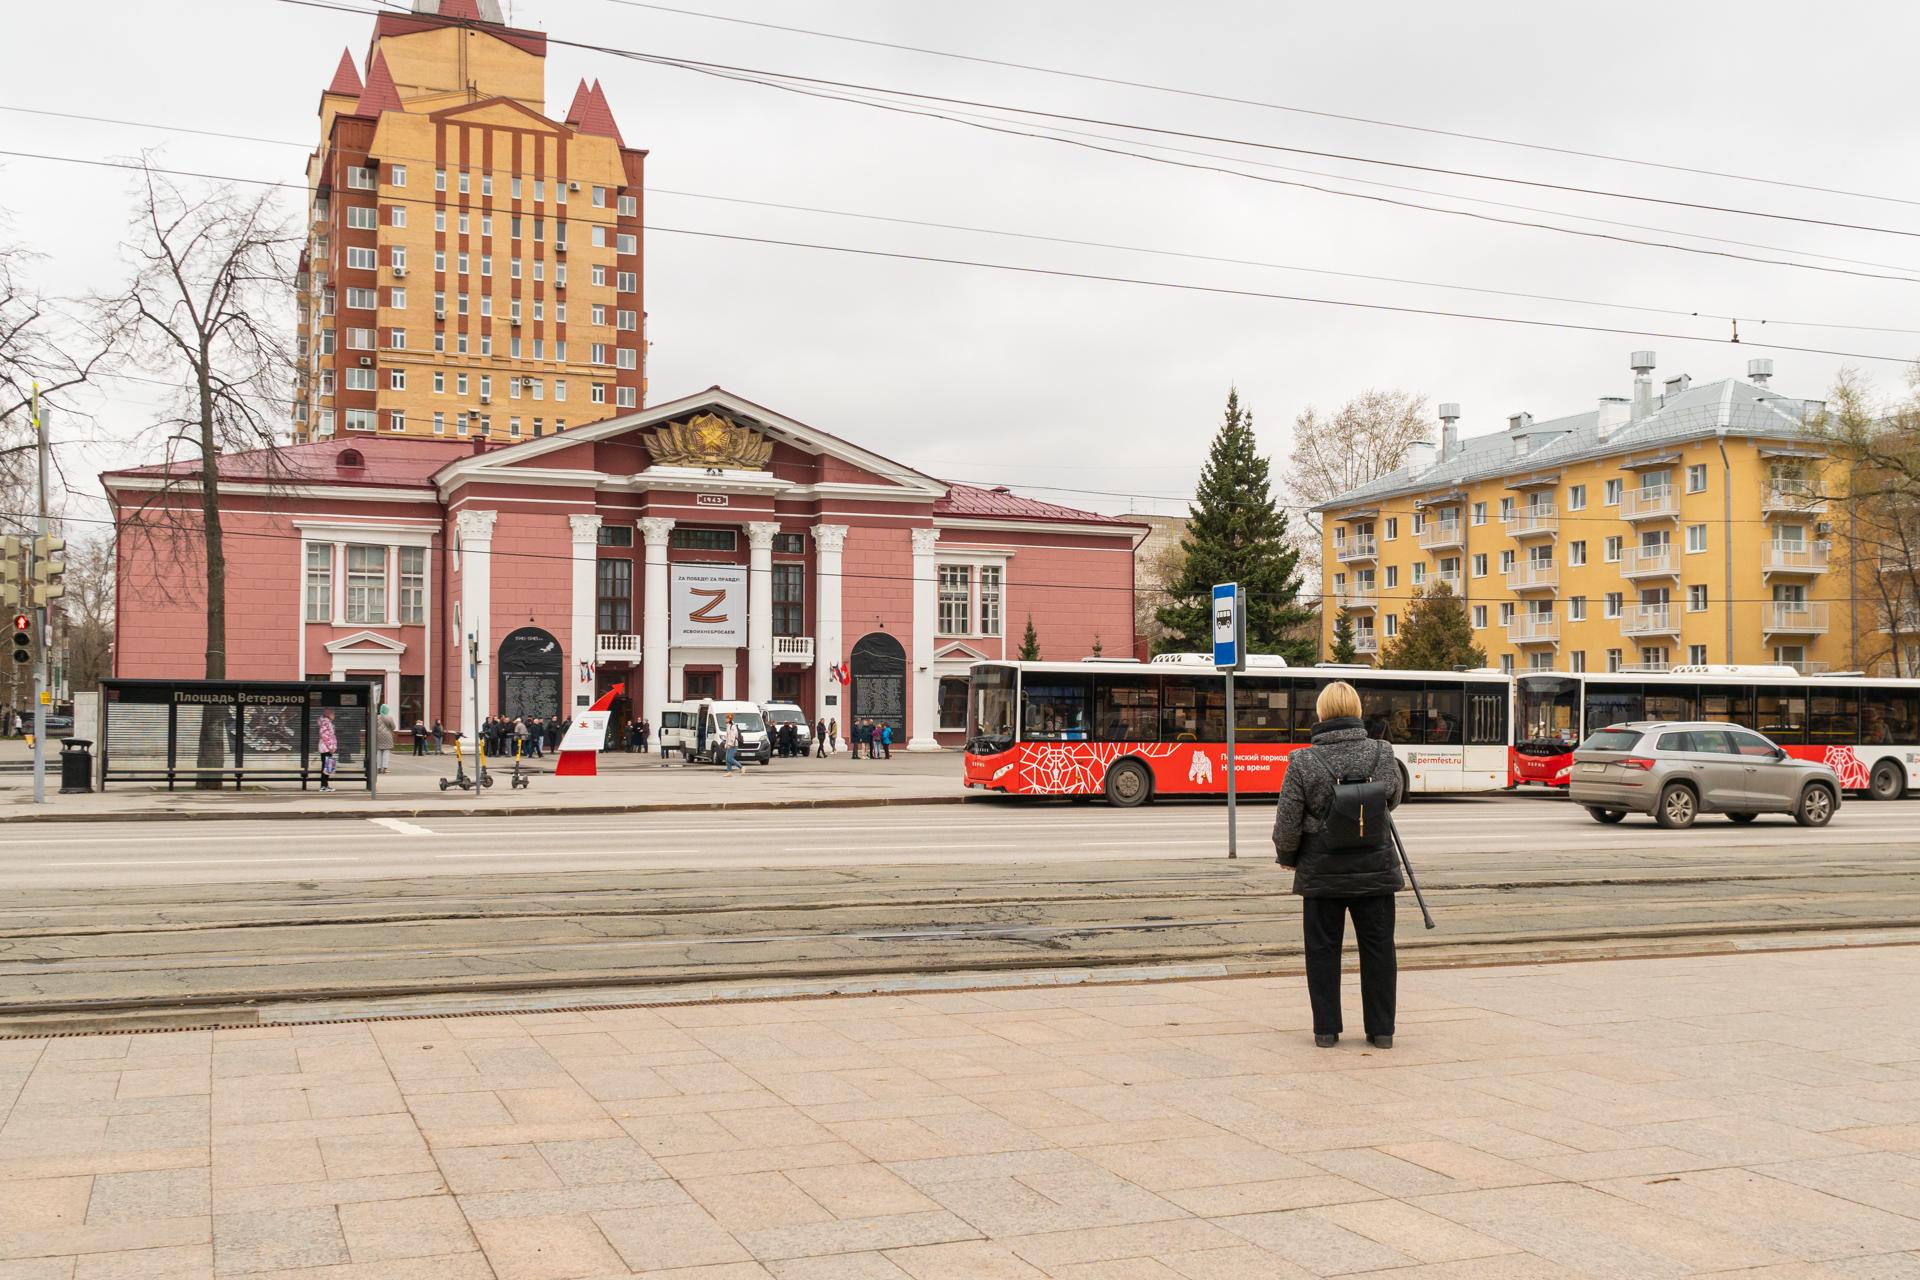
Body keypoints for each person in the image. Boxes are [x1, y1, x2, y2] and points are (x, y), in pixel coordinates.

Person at [1272, 680, 1404, 1051]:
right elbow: (1391, 800)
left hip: (1321, 869)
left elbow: (1287, 821)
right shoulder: (1382, 752)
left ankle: (1326, 1031)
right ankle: (1382, 1032)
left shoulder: (1303, 760)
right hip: (1374, 866)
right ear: (1357, 711)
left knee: (1322, 950)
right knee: (1379, 950)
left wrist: (1288, 857)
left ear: (1321, 712)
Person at [317, 708, 339, 792]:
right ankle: (323, 786)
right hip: (326, 749)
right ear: (329, 714)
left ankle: (325, 785)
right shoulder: (326, 723)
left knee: (327, 767)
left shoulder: (327, 722)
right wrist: (331, 747)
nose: (334, 715)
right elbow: (325, 736)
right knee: (326, 767)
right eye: (333, 714)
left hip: (326, 748)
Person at [375, 704, 397, 774]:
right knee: (386, 752)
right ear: (387, 710)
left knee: (378, 752)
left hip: (377, 736)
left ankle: (378, 768)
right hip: (387, 736)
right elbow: (393, 727)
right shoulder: (389, 718)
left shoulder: (376, 717)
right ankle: (384, 769)